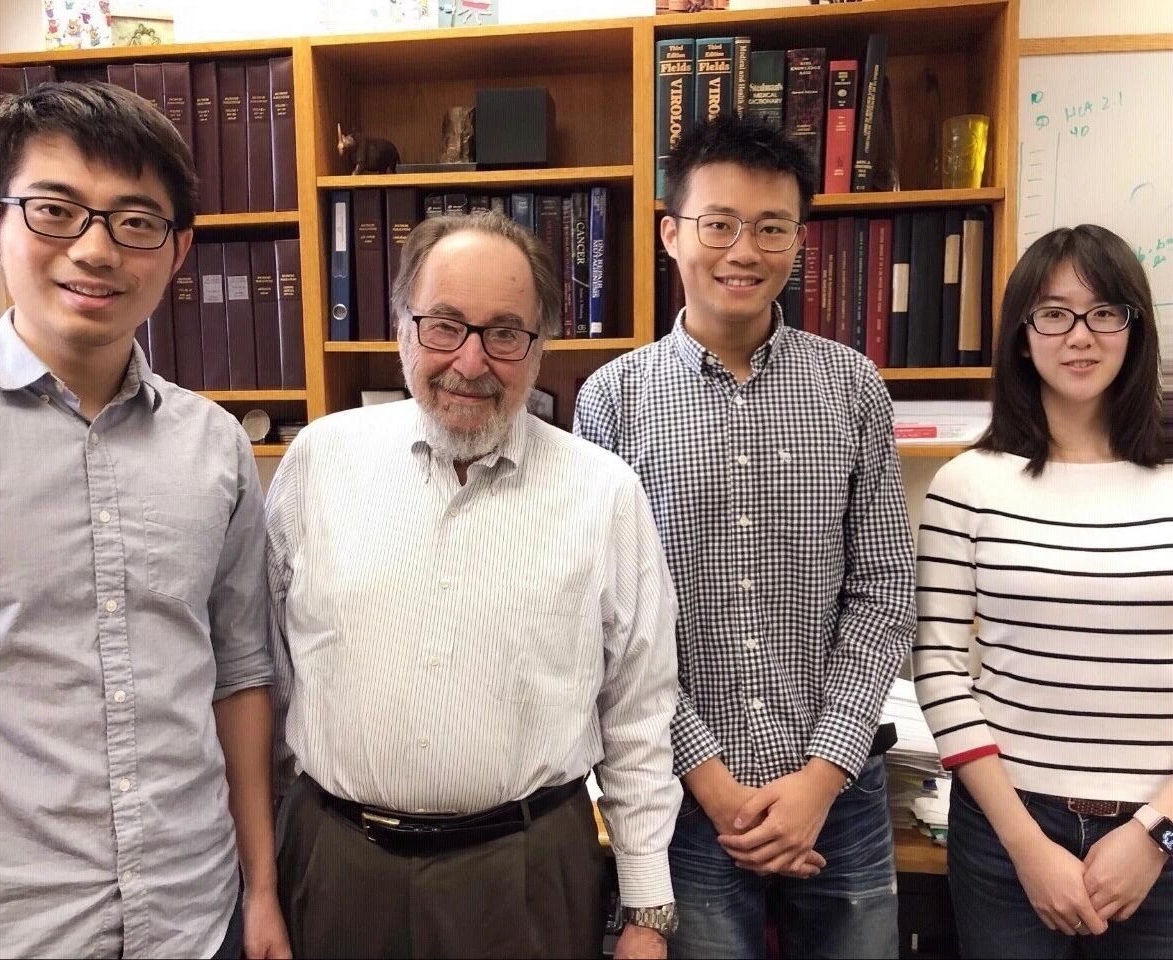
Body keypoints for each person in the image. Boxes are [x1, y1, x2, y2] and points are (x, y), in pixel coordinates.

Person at [0, 82, 289, 958]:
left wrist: (260, 889)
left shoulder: (216, 446)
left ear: (178, 250)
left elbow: (240, 674)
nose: (96, 249)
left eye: (135, 221)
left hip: (195, 917)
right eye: (56, 211)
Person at [267, 211, 682, 960]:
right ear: (401, 327)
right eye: (444, 326)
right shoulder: (317, 464)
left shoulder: (604, 492)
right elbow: (265, 674)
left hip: (526, 872)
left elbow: (640, 708)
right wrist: (260, 878)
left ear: (538, 346)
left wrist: (647, 915)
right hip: (336, 865)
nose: (470, 361)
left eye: (504, 333)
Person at [575, 114, 916, 959]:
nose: (744, 250)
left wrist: (822, 776)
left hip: (841, 793)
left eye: (772, 228)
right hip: (686, 804)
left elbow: (882, 592)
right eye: (718, 224)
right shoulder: (611, 400)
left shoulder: (854, 388)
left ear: (799, 240)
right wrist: (713, 782)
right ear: (671, 233)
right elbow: (611, 621)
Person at [914, 224, 1173, 958]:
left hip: (1163, 833)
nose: (1079, 336)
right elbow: (936, 665)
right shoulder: (969, 483)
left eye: (1104, 311)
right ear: (1022, 334)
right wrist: (1025, 844)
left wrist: (1156, 832)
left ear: (1135, 325)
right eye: (1053, 313)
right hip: (1010, 829)